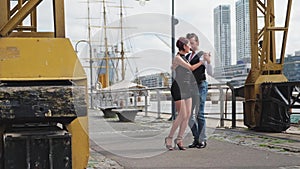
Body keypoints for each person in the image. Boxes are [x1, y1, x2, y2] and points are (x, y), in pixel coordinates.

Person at [165, 37, 203, 150]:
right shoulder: (177, 58)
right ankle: (169, 138)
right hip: (178, 88)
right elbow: (191, 68)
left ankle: (180, 139)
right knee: (181, 115)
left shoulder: (185, 58)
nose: (190, 47)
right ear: (184, 46)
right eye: (188, 45)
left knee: (187, 116)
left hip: (187, 88)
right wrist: (202, 62)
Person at [186, 33, 212, 149]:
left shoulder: (203, 55)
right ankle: (197, 138)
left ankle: (202, 140)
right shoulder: (187, 57)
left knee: (199, 113)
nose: (190, 45)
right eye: (188, 43)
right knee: (188, 115)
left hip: (201, 85)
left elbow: (210, 72)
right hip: (190, 87)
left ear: (197, 43)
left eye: (192, 43)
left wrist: (208, 61)